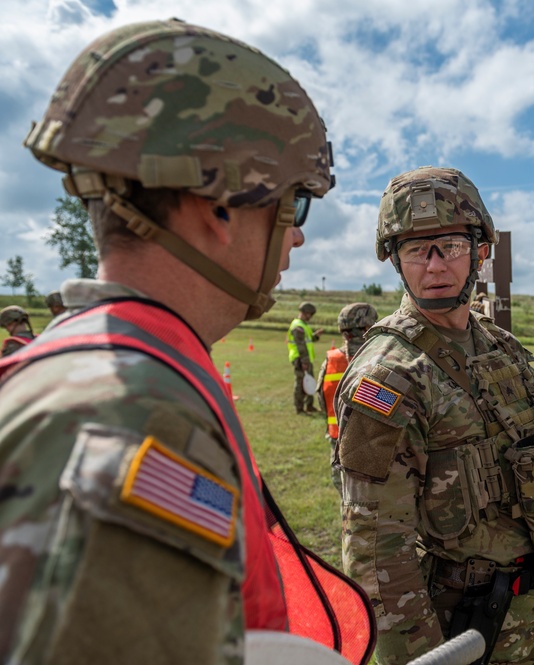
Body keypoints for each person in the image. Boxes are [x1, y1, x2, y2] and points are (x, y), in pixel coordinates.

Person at [1, 19, 373, 664]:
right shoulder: (134, 413)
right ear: (219, 207)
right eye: (295, 208)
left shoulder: (113, 367)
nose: (298, 239)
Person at [334, 166, 534, 664]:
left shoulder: (494, 342)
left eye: (449, 246)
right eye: (415, 250)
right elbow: (376, 550)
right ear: (396, 262)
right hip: (468, 627)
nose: (435, 265)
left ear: (479, 251)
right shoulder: (388, 377)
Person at [317, 302, 378, 491]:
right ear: (369, 327)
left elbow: (321, 398)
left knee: (345, 495)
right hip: (376, 443)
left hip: (338, 440)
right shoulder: (381, 358)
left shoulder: (331, 360)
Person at [288, 301, 324, 414]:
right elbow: (301, 345)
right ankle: (299, 408)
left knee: (309, 382)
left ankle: (309, 406)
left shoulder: (303, 325)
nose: (311, 317)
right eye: (310, 314)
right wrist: (304, 361)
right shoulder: (298, 326)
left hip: (306, 359)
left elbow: (307, 340)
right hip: (300, 358)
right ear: (305, 313)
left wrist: (315, 336)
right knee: (301, 384)